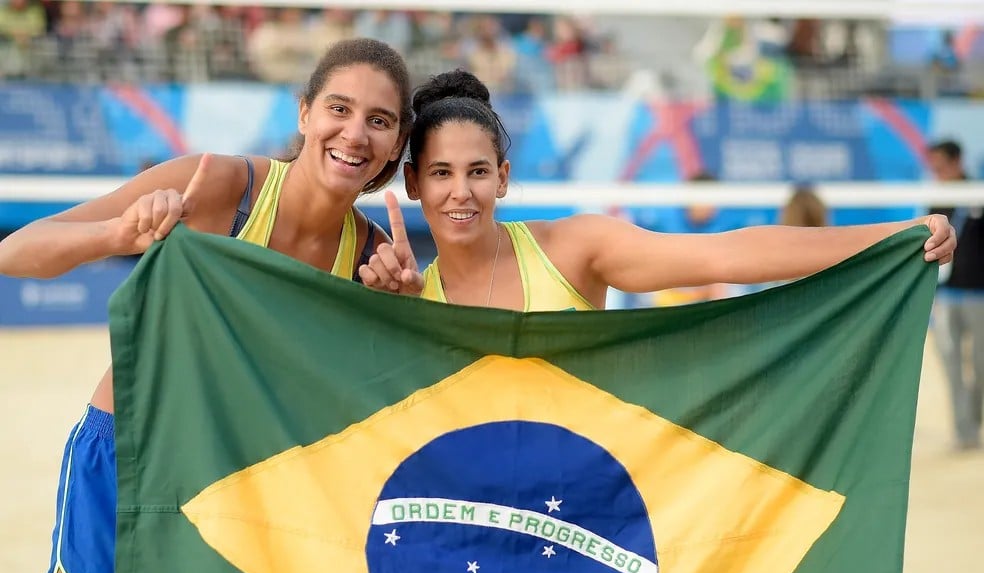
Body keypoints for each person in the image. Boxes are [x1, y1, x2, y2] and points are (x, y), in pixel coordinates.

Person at [0, 37, 413, 573]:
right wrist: (118, 234)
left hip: (235, 487)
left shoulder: (374, 261)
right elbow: (15, 252)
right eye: (339, 108)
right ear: (304, 113)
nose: (355, 134)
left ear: (398, 142)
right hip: (130, 457)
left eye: (379, 121)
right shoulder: (220, 187)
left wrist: (396, 314)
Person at [359, 69, 955, 316]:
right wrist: (399, 314)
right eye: (440, 173)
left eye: (477, 171)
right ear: (413, 182)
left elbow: (728, 253)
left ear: (504, 178)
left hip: (577, 530)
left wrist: (892, 236)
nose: (460, 192)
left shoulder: (572, 248)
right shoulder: (407, 292)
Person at [926, 139, 984, 450]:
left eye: (939, 163)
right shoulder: (936, 198)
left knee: (980, 365)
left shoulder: (977, 193)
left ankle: (973, 420)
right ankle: (965, 433)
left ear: (956, 161)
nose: (935, 169)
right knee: (951, 367)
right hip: (946, 297)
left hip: (979, 296)